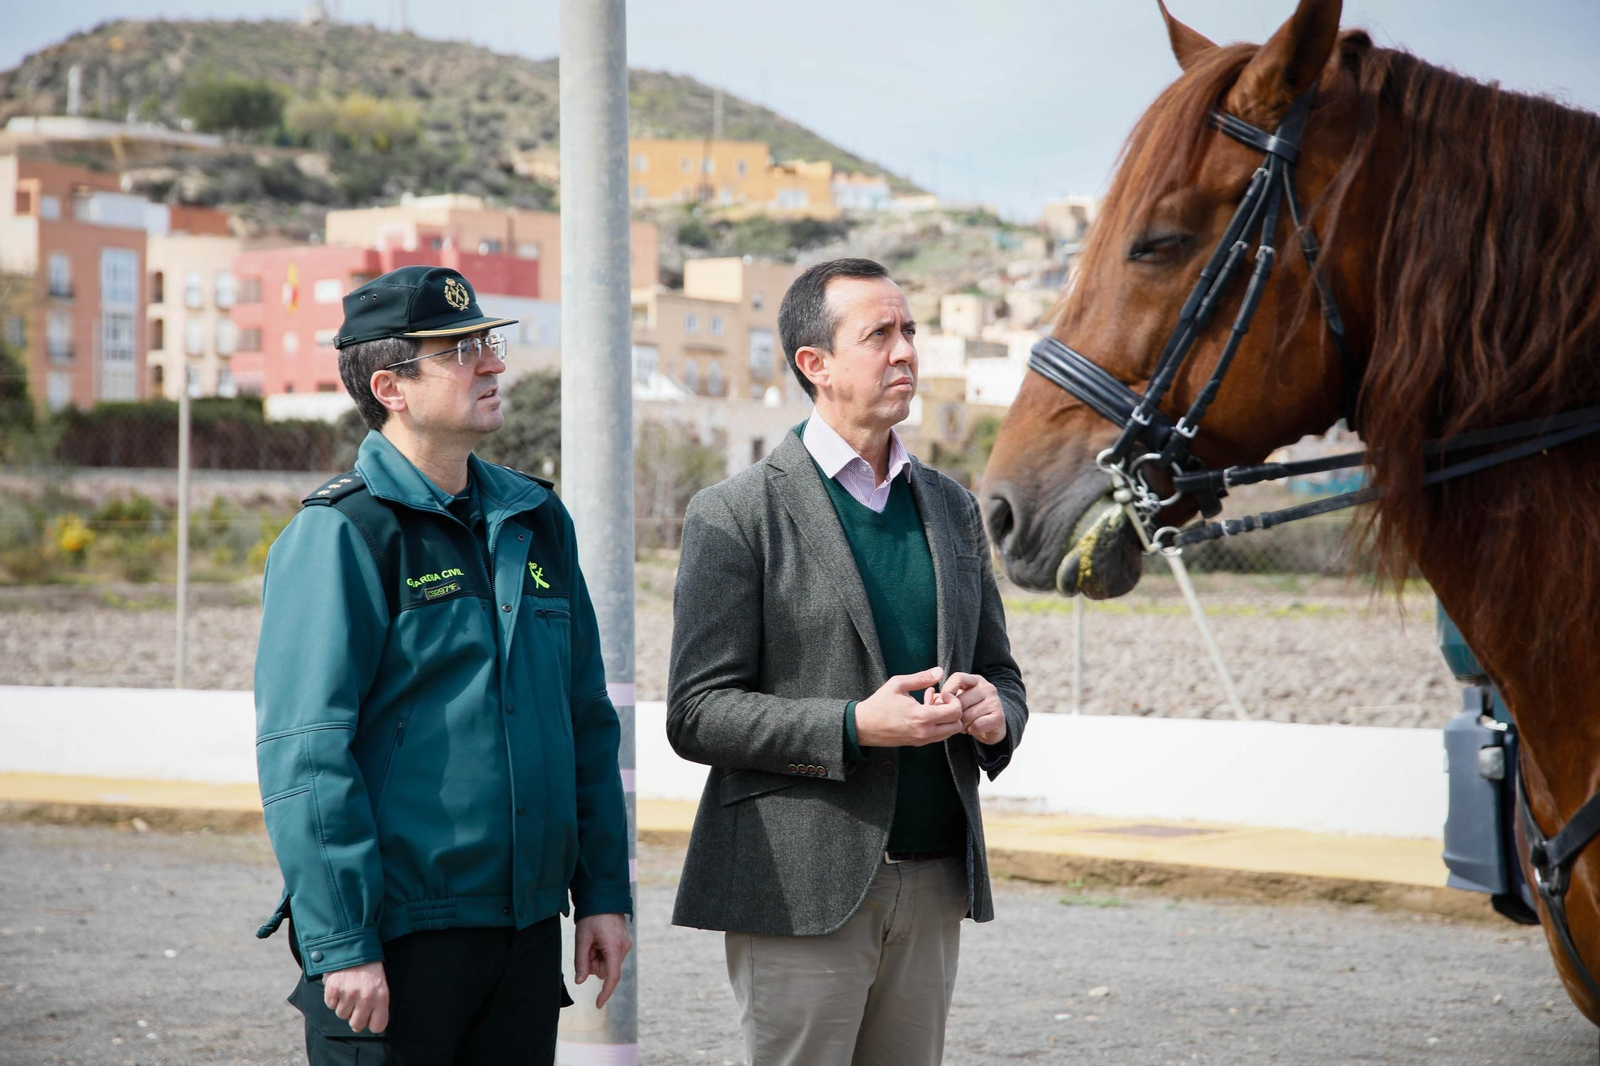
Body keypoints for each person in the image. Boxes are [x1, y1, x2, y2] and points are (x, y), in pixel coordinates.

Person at [253, 265, 632, 1065]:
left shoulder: (535, 518)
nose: (493, 363)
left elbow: (584, 719)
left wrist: (600, 894)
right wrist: (344, 938)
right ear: (391, 385)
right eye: (461, 350)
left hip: (525, 937)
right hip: (396, 944)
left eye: (488, 342)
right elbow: (306, 753)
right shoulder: (343, 534)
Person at [666, 257, 1028, 1065]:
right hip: (800, 890)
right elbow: (695, 713)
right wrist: (854, 726)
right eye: (880, 335)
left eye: (909, 331)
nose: (905, 352)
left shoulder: (951, 506)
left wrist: (995, 713)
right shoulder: (736, 514)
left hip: (935, 880)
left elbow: (1001, 671)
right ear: (815, 366)